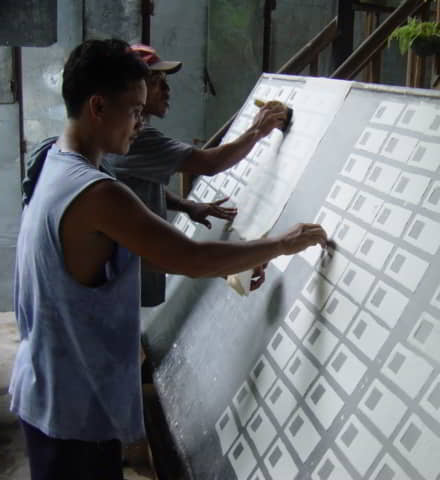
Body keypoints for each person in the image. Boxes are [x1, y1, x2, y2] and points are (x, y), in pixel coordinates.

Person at [9, 38, 326, 480]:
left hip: (45, 387)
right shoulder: (98, 193)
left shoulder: (51, 160)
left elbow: (164, 250)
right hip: (74, 411)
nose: (140, 123)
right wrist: (281, 243)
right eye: (134, 110)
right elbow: (191, 257)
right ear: (98, 106)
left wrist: (230, 260)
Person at [104, 44, 287, 307]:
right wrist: (257, 131)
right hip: (132, 285)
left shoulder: (115, 135)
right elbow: (210, 163)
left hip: (126, 278)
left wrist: (184, 205)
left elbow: (134, 184)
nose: (167, 90)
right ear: (135, 88)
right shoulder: (137, 138)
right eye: (157, 82)